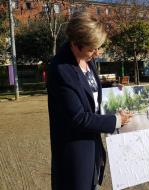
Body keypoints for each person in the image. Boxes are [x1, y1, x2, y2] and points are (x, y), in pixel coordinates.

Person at [47, 11, 132, 190]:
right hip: (75, 155)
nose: (96, 53)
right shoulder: (61, 70)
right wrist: (116, 120)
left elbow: (89, 91)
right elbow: (78, 118)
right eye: (92, 48)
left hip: (93, 149)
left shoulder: (87, 60)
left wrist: (113, 89)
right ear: (76, 43)